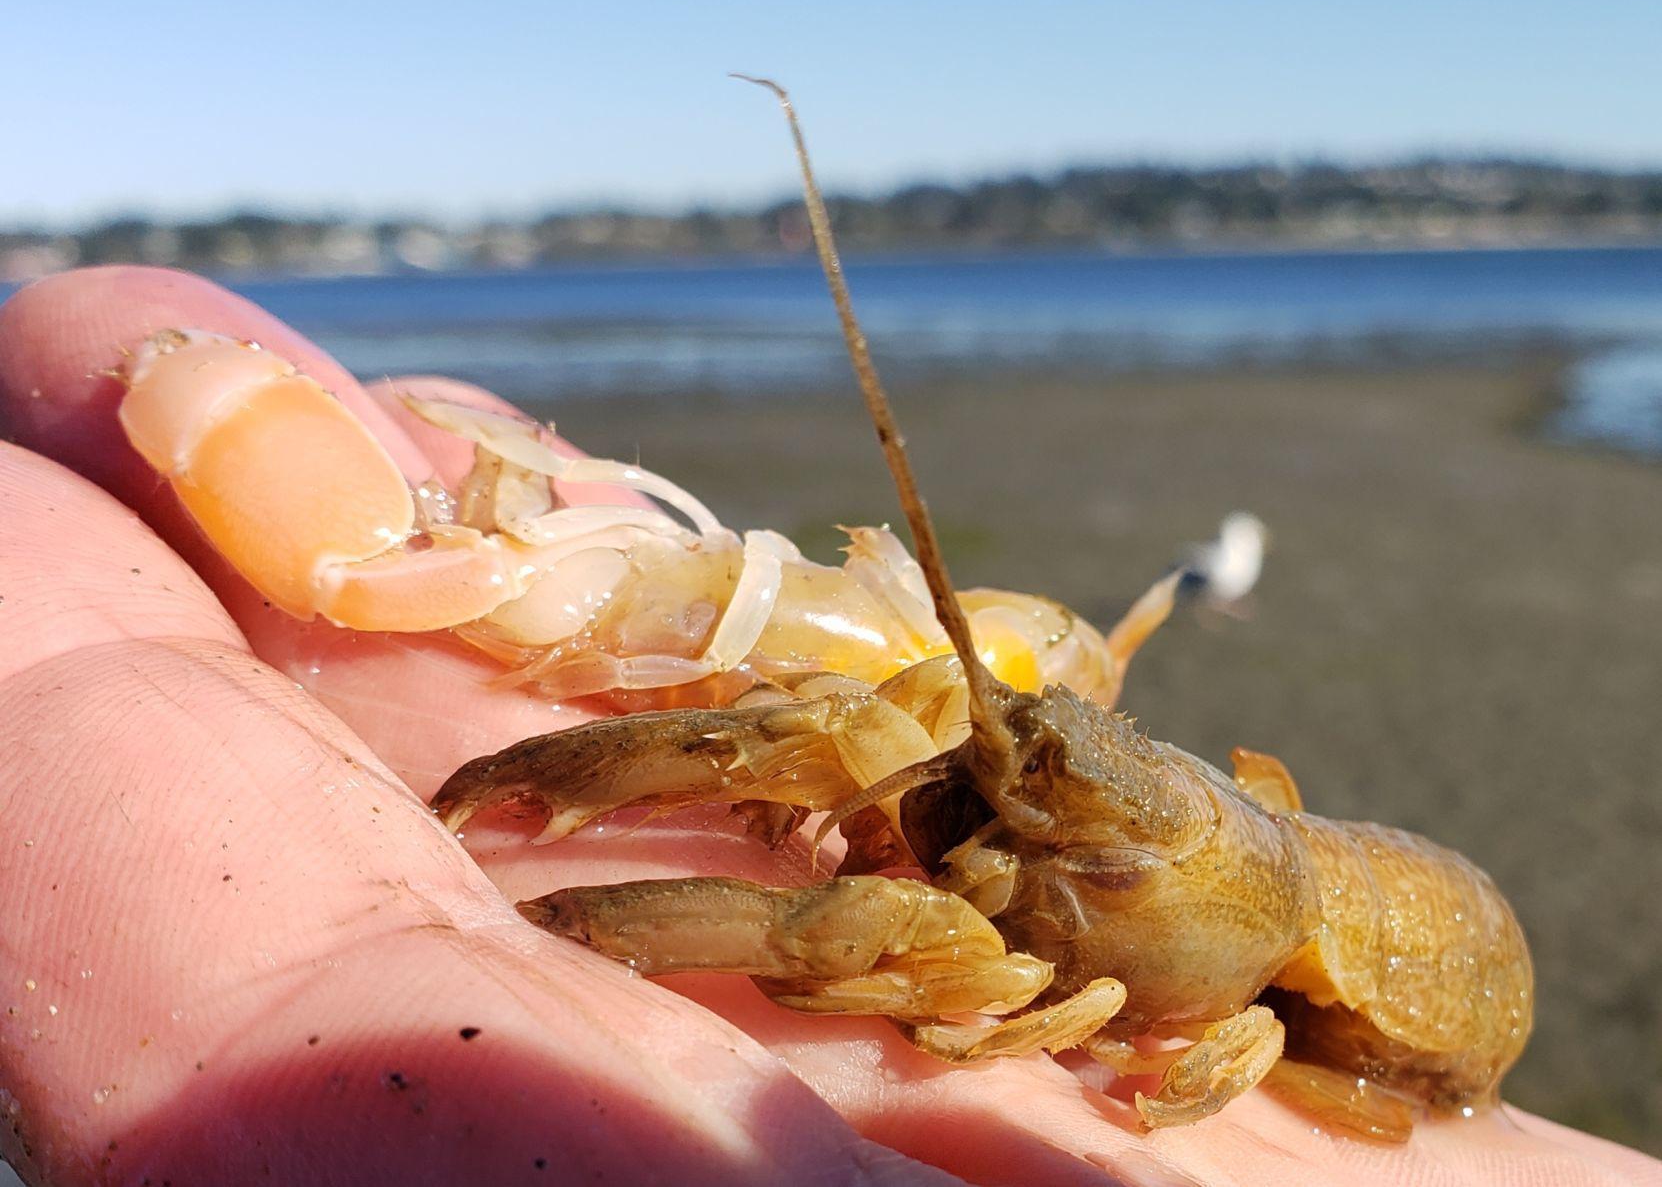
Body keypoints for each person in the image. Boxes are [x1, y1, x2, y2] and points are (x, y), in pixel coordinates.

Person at [0, 267, 1654, 1187]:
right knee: (835, 745)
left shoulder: (1234, 955)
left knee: (830, 922)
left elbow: (840, 936)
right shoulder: (1021, 783)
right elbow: (830, 737)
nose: (974, 788)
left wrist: (569, 937)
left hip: (1414, 985)